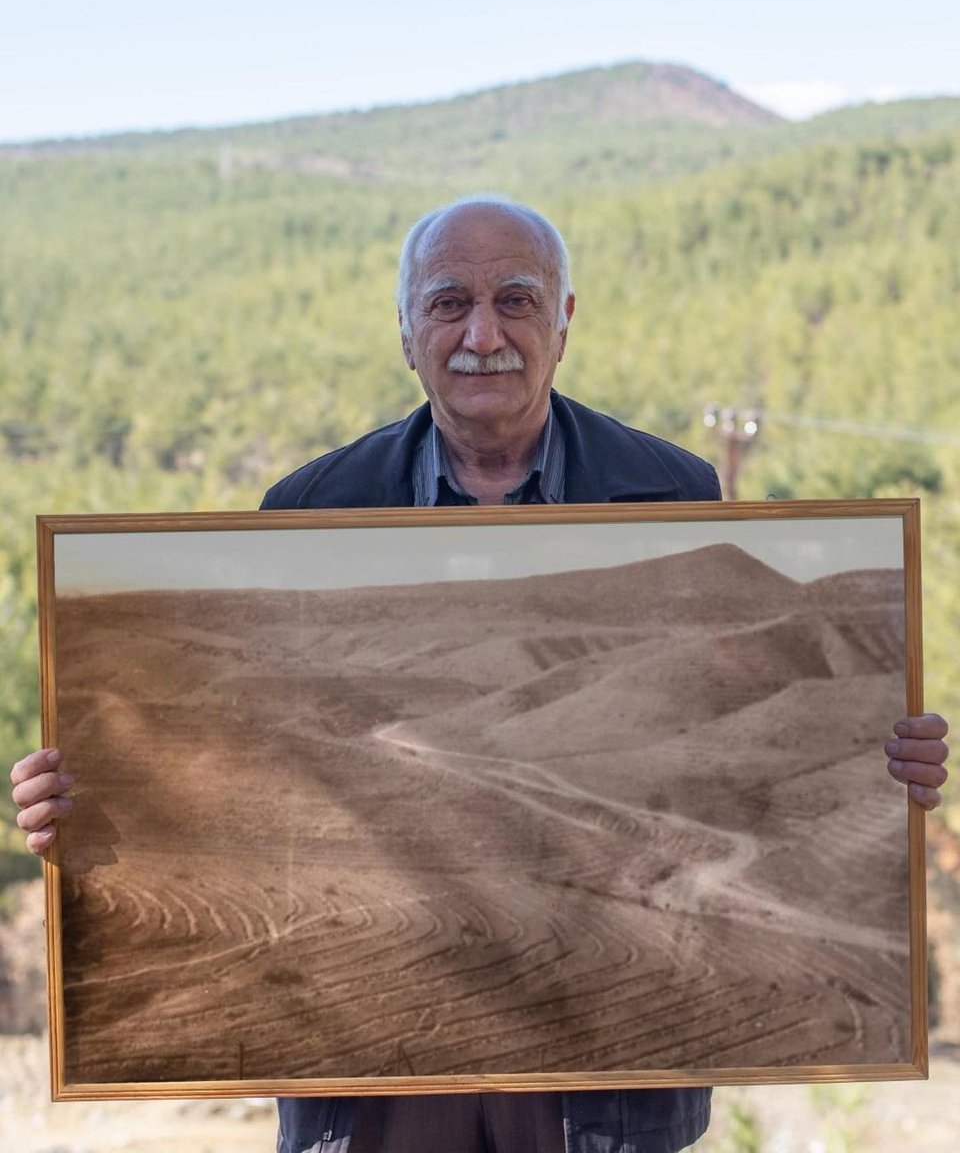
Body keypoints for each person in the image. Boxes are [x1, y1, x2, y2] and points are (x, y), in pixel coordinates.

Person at [11, 196, 951, 1153]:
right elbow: (238, 772)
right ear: (406, 329)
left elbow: (770, 775)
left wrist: (882, 758)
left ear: (565, 321)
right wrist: (92, 803)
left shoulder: (678, 493)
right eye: (450, 301)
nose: (482, 334)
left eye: (516, 300)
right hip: (366, 1082)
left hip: (604, 1089)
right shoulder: (308, 506)